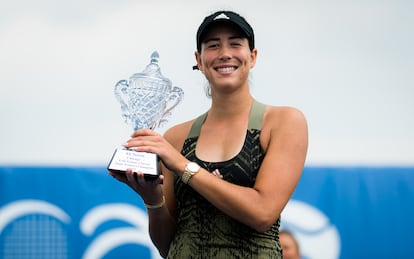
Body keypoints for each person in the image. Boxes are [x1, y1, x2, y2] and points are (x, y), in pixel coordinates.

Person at [109, 10, 308, 258]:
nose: (225, 53)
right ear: (200, 60)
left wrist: (183, 165)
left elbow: (262, 214)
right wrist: (152, 199)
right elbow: (166, 244)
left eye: (235, 44)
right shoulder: (176, 138)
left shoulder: (284, 122)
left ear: (252, 56)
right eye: (213, 46)